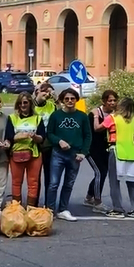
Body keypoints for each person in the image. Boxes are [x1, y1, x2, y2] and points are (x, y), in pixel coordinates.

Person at [45, 88, 91, 222]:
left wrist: (83, 153)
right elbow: (50, 133)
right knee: (53, 183)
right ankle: (50, 210)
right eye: (66, 99)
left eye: (72, 98)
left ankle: (63, 209)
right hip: (58, 154)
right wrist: (59, 141)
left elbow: (87, 135)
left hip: (75, 154)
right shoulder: (56, 115)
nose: (70, 101)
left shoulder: (82, 116)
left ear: (76, 100)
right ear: (62, 101)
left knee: (69, 184)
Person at [101, 97, 134, 219]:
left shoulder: (113, 118)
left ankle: (118, 209)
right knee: (133, 182)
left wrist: (95, 117)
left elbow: (98, 127)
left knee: (114, 182)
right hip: (131, 152)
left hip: (117, 151)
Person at [5, 92, 47, 206]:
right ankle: (16, 209)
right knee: (16, 182)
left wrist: (34, 136)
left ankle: (30, 209)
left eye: (25, 102)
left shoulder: (38, 118)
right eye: (20, 103)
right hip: (16, 154)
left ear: (30, 103)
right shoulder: (12, 118)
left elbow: (42, 138)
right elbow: (9, 137)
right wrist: (22, 136)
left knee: (33, 183)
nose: (23, 105)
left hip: (34, 154)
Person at [84, 90, 118, 212]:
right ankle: (97, 202)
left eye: (114, 100)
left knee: (101, 173)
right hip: (92, 149)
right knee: (100, 172)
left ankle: (89, 197)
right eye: (110, 100)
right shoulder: (95, 113)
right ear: (104, 101)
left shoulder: (116, 115)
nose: (112, 103)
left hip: (106, 149)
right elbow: (88, 132)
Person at [34, 83, 57, 205]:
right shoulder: (31, 104)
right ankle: (34, 204)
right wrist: (38, 98)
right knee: (35, 179)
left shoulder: (52, 106)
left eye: (48, 92)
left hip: (49, 146)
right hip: (35, 146)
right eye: (44, 92)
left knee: (50, 178)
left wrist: (56, 99)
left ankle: (49, 204)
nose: (46, 95)